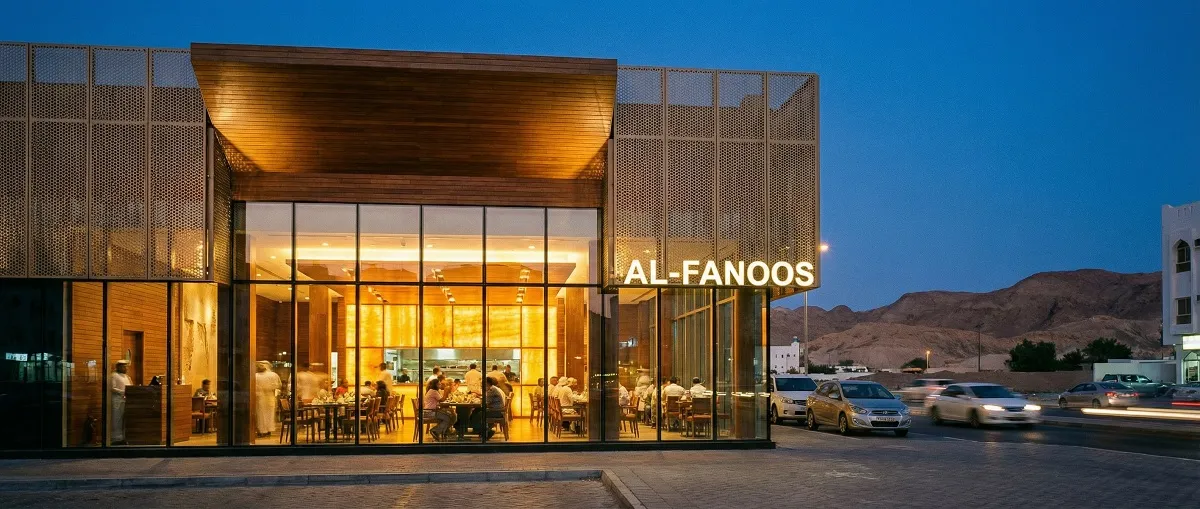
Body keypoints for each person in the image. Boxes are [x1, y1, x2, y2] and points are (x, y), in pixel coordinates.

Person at [254, 361, 281, 438]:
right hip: (266, 397)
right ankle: (266, 430)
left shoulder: (256, 376)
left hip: (264, 397)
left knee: (263, 415)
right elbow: (278, 385)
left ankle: (264, 431)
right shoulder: (273, 375)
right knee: (264, 415)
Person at [110, 360, 132, 445]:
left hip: (126, 400)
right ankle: (116, 438)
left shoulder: (127, 377)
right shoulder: (114, 375)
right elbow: (112, 387)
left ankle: (123, 437)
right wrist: (123, 392)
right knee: (117, 419)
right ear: (119, 367)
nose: (126, 368)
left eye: (126, 366)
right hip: (117, 401)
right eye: (124, 366)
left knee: (124, 419)